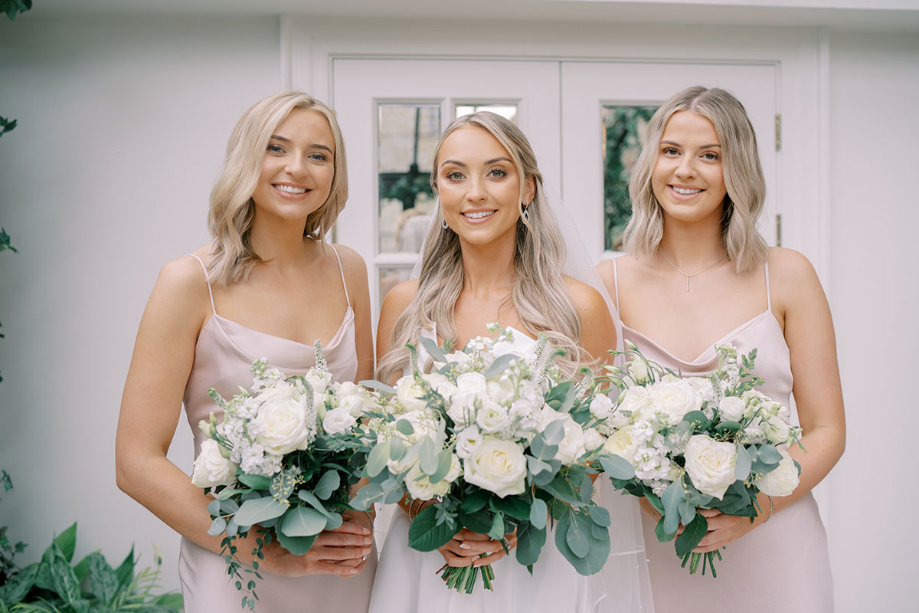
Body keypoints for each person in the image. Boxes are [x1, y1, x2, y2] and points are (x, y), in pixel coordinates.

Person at [370, 112, 651, 613]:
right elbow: (390, 446)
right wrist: (432, 518)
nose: (474, 192)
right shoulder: (403, 305)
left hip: (535, 564)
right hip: (429, 560)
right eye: (456, 175)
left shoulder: (578, 307)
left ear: (527, 189)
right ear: (439, 189)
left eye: (496, 172)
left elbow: (595, 452)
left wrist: (520, 523)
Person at [115, 92, 377, 612]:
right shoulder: (190, 281)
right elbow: (134, 462)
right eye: (276, 148)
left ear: (334, 174)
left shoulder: (350, 270)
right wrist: (265, 551)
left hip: (339, 562)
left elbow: (367, 421)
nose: (297, 168)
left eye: (319, 155)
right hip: (239, 566)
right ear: (246, 159)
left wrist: (356, 520)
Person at [598, 86, 844, 612]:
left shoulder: (788, 275)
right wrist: (654, 499)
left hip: (776, 546)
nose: (686, 169)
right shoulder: (606, 285)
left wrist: (754, 507)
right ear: (650, 164)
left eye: (710, 155)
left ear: (739, 170)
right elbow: (593, 433)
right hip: (655, 551)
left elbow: (827, 430)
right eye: (671, 151)